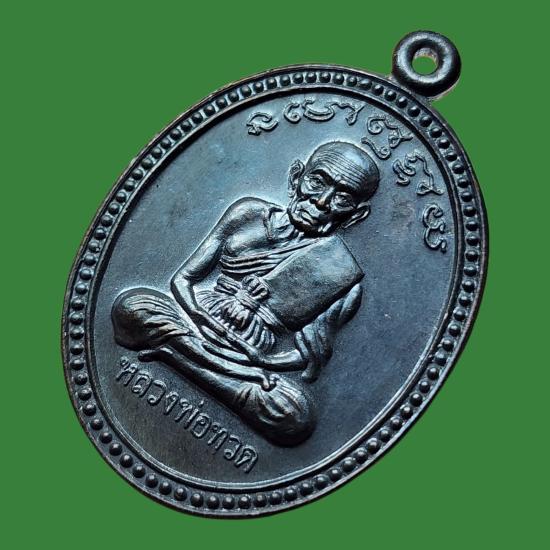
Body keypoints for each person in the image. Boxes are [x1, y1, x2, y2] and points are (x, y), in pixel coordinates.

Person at [112, 141, 380, 446]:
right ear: (296, 177)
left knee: (294, 418)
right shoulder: (248, 214)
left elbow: (307, 357)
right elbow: (183, 279)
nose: (321, 202)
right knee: (132, 307)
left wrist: (261, 360)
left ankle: (175, 357)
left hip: (245, 358)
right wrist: (200, 318)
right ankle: (205, 369)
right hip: (195, 323)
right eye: (317, 183)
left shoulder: (342, 276)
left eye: (342, 199)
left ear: (356, 215)